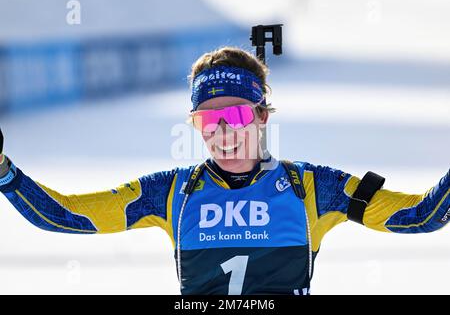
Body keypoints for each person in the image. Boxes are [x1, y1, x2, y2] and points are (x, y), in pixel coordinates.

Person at [0, 47, 449, 295]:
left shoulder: (313, 188)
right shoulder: (172, 193)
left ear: (262, 116)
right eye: (206, 121)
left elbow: (420, 217)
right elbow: (65, 215)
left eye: (234, 116)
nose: (222, 132)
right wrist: (5, 172)